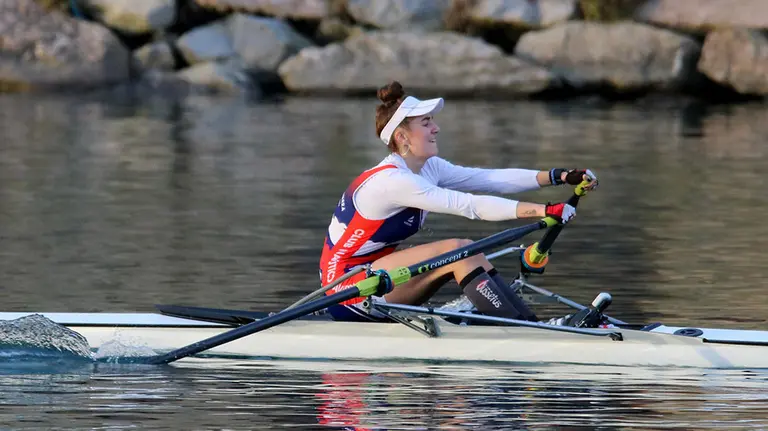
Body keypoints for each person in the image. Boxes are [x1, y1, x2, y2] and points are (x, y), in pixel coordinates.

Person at [318, 81, 598, 323]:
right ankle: (523, 330)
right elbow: (468, 206)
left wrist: (557, 176)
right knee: (459, 249)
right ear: (402, 137)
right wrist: (542, 210)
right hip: (348, 291)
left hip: (379, 277)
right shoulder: (392, 181)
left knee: (470, 252)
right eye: (426, 123)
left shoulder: (428, 168)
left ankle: (529, 323)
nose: (436, 128)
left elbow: (489, 180)